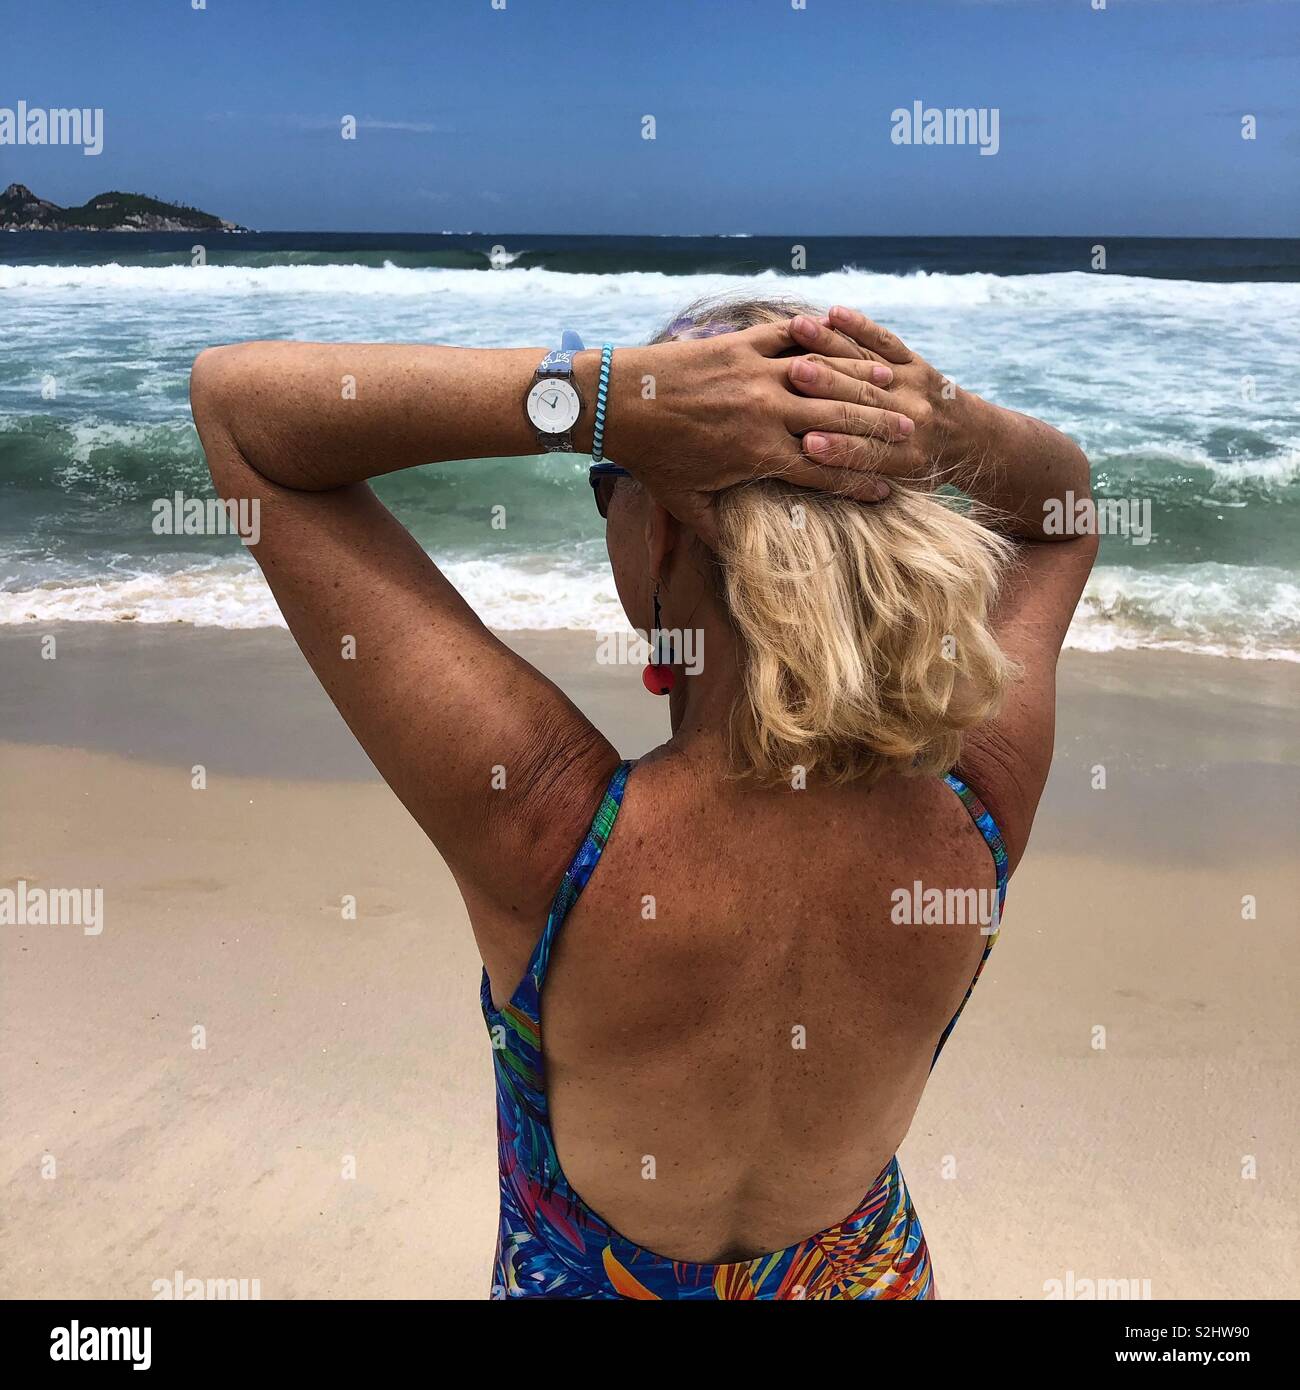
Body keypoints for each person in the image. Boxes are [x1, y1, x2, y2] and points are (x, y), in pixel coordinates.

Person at [189, 294, 1096, 1299]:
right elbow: (1061, 518)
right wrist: (949, 426)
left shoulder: (545, 828)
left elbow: (240, 411)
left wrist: (597, 399)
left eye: (604, 489)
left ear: (660, 532)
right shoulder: (977, 807)